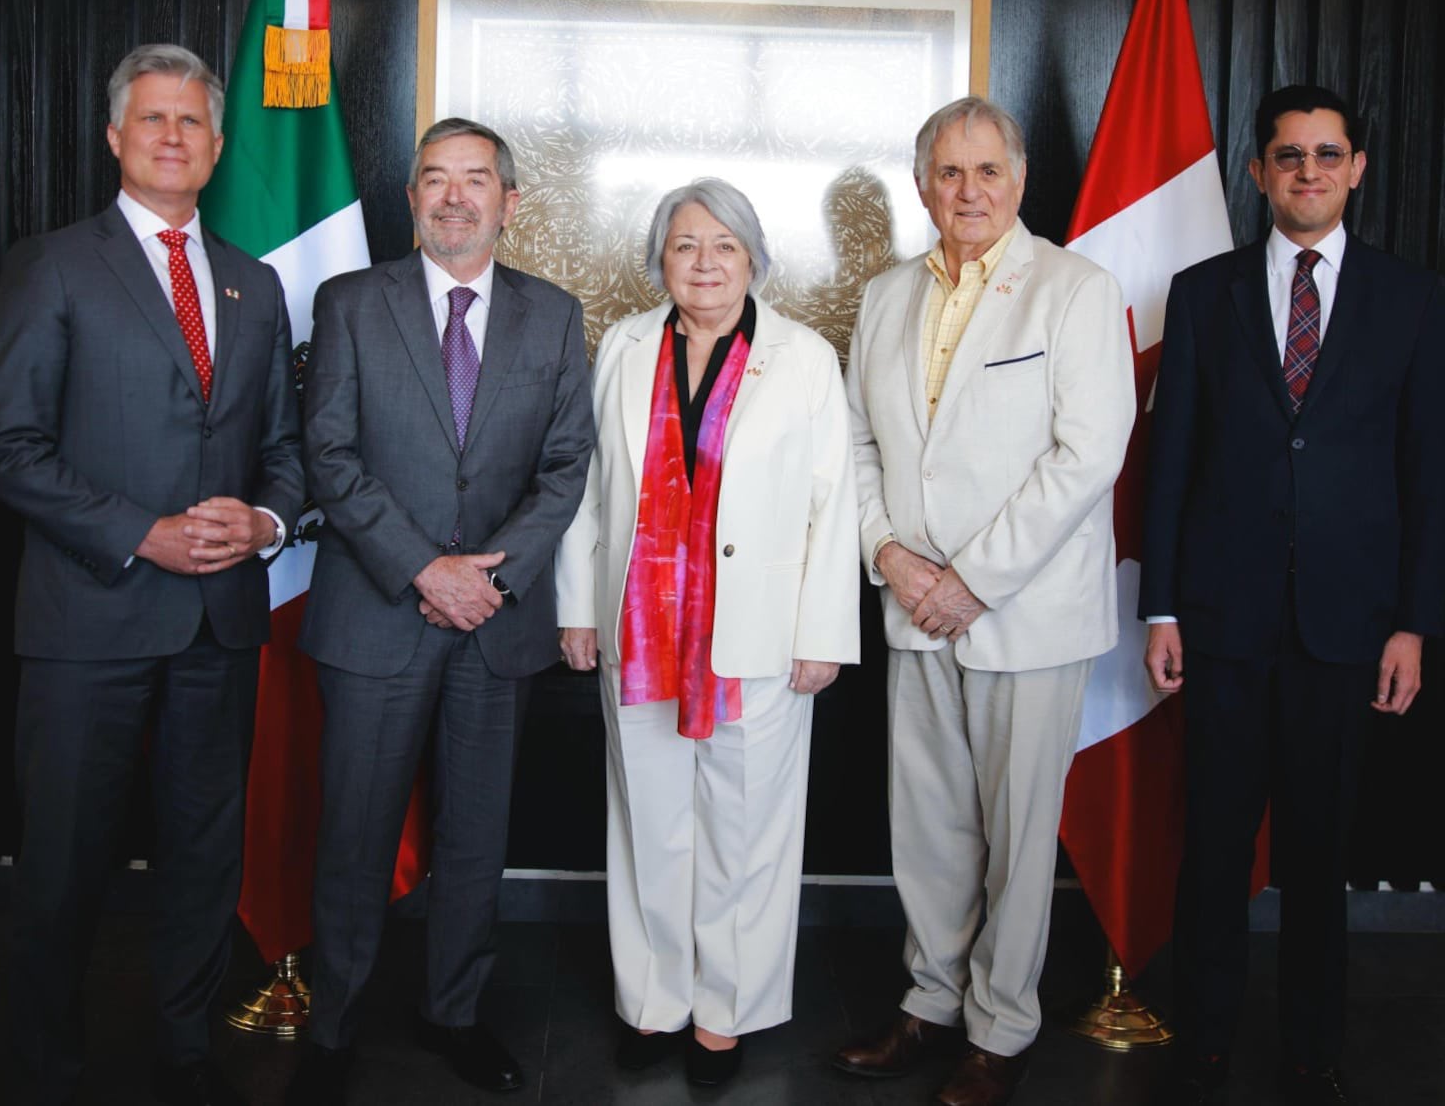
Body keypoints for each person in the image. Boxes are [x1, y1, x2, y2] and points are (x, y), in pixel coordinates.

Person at [0, 44, 303, 1106]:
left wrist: (261, 519)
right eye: (151, 119)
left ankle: (185, 1050)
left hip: (219, 623)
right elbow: (7, 446)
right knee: (64, 864)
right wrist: (138, 532)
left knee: (206, 856)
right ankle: (43, 1070)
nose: (172, 136)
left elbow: (287, 450)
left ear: (215, 147)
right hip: (88, 616)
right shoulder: (54, 264)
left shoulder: (254, 284)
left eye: (191, 123)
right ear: (116, 138)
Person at [1141, 85, 1445, 1106]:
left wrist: (1410, 620)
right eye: (1285, 156)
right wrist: (1162, 606)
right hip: (1220, 625)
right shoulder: (1201, 293)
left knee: (1317, 857)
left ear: (1355, 167)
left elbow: (1424, 471)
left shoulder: (1410, 299)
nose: (1305, 172)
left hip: (1345, 626)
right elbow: (1168, 461)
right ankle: (1204, 1039)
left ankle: (1313, 1047)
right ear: (1258, 171)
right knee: (1214, 848)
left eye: (1325, 154)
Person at [286, 117, 594, 1105]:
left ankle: (452, 1015)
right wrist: (427, 570)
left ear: (509, 201)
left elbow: (562, 468)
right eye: (433, 179)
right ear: (410, 197)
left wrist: (487, 582)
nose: (453, 196)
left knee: (473, 839)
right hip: (378, 611)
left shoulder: (551, 315)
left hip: (493, 625)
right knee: (355, 833)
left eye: (475, 179)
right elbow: (327, 455)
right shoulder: (348, 303)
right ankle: (331, 1028)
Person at [834, 97, 1134, 1106]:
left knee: (1015, 830)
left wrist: (971, 581)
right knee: (924, 827)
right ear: (921, 184)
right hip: (910, 606)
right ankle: (927, 1002)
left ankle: (999, 1027)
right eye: (947, 174)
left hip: (1023, 612)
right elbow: (856, 449)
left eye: (986, 172)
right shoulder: (881, 298)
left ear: (1017, 180)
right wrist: (885, 553)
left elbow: (1086, 454)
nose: (967, 192)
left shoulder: (1073, 289)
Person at [554, 179, 860, 1087]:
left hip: (759, 636)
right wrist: (577, 609)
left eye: (724, 245)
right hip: (640, 629)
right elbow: (589, 490)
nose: (704, 263)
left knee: (746, 828)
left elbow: (832, 503)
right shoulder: (623, 345)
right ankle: (653, 1002)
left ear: (755, 258)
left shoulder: (802, 358)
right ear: (660, 261)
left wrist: (824, 635)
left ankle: (728, 1011)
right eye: (685, 245)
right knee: (649, 823)